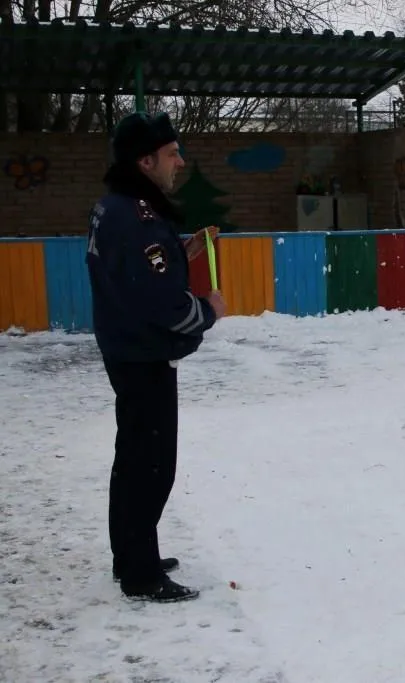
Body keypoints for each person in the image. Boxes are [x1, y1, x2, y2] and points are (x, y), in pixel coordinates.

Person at [86, 111, 226, 603]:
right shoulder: (138, 218)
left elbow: (138, 276)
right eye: (171, 154)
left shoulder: (116, 206)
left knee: (133, 459)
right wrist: (207, 311)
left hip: (125, 348)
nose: (179, 162)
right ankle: (141, 574)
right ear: (145, 161)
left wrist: (179, 252)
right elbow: (163, 304)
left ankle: (131, 553)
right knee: (150, 465)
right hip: (142, 355)